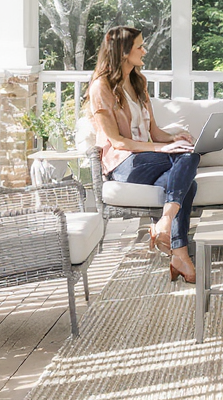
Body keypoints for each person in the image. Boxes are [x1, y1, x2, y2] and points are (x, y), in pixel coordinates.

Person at [86, 26, 200, 282]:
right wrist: (163, 148)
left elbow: (154, 131)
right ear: (123, 51)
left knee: (188, 168)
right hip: (125, 164)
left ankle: (177, 250)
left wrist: (173, 138)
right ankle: (170, 229)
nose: (144, 50)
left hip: (149, 158)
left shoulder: (139, 81)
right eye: (139, 46)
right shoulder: (101, 87)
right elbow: (116, 141)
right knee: (185, 164)